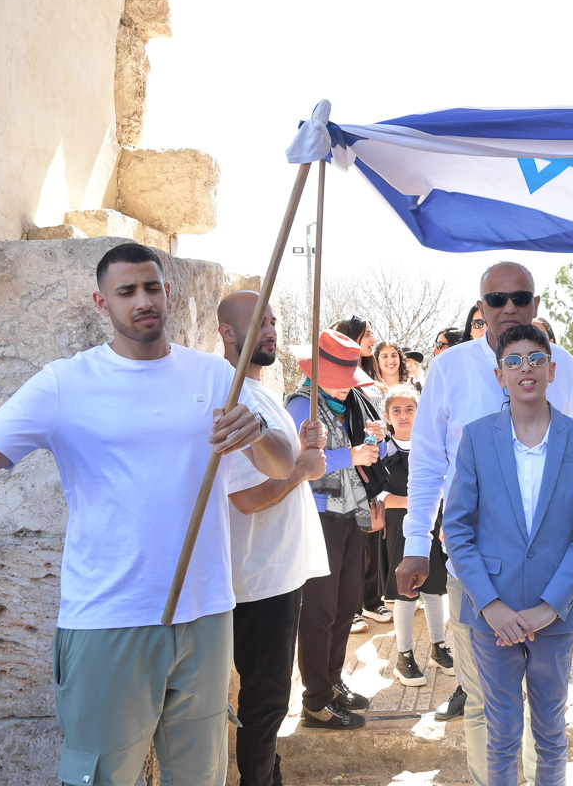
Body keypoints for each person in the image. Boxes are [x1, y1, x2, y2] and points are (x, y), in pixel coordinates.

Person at [0, 243, 298, 786]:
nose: (142, 301)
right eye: (126, 292)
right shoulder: (65, 383)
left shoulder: (217, 375)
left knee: (201, 776)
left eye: (151, 288)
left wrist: (257, 432)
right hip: (108, 617)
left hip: (206, 613)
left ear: (167, 293)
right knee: (102, 776)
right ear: (103, 303)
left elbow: (282, 463)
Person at [396, 261, 573, 786]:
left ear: (536, 304)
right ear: (481, 307)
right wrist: (416, 540)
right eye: (497, 299)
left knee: (550, 720)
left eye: (520, 297)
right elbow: (428, 462)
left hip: (553, 585)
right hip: (476, 578)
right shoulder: (448, 369)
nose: (509, 307)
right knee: (487, 707)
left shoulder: (565, 369)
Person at [442, 323, 573, 786]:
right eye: (512, 361)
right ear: (500, 375)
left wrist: (548, 608)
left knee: (551, 733)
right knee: (500, 734)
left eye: (536, 359)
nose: (525, 369)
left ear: (552, 370)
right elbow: (457, 529)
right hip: (491, 615)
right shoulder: (477, 437)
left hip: (555, 612)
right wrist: (490, 606)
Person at [217, 291, 330, 786]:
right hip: (258, 579)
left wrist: (302, 451)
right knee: (264, 703)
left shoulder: (259, 391)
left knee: (271, 700)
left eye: (273, 321)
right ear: (227, 332)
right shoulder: (236, 397)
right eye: (258, 323)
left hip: (278, 571)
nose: (270, 331)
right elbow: (246, 499)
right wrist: (301, 470)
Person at [286, 330, 391, 730]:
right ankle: (315, 700)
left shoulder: (350, 404)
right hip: (319, 516)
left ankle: (331, 682)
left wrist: (378, 442)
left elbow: (373, 455)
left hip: (350, 515)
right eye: (341, 378)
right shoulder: (300, 404)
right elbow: (299, 461)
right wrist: (352, 454)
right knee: (320, 610)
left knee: (346, 606)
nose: (349, 386)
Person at [378, 384, 454, 686]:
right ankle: (404, 655)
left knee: (435, 587)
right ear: (387, 416)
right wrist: (417, 502)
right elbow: (379, 495)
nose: (404, 415)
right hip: (399, 527)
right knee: (405, 592)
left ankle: (439, 647)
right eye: (396, 410)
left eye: (410, 409)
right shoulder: (382, 449)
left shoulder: (432, 445)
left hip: (432, 524)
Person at [334, 317, 393, 630]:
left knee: (372, 537)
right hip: (346, 473)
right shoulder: (337, 383)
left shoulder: (372, 378)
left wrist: (380, 435)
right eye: (366, 334)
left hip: (373, 465)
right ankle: (353, 607)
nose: (372, 339)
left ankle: (371, 600)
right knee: (351, 543)